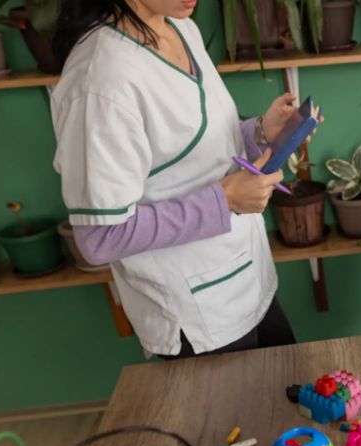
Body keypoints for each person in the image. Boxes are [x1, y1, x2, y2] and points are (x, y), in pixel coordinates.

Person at [50, 0, 305, 357]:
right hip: (197, 317)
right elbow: (99, 238)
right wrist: (225, 201)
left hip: (248, 279)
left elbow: (198, 148)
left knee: (290, 401)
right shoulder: (100, 81)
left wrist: (260, 132)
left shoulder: (180, 28)